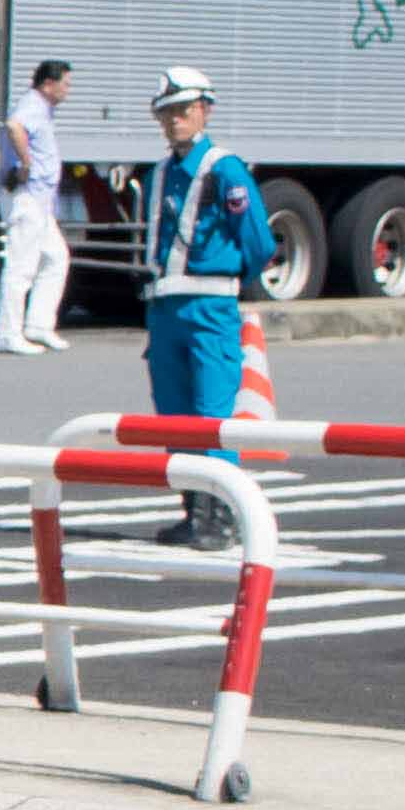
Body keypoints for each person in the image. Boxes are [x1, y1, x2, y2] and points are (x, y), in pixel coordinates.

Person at [137, 66, 269, 545]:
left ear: (204, 111)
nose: (174, 120)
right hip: (166, 307)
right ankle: (194, 510)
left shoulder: (223, 169)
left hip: (210, 305)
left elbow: (257, 241)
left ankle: (221, 516)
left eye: (183, 110)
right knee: (173, 413)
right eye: (166, 112)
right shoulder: (164, 171)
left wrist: (230, 279)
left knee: (212, 413)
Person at [0, 58, 70, 355]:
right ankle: (7, 334)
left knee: (56, 257)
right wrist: (26, 162)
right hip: (27, 196)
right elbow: (14, 126)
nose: (68, 90)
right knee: (21, 266)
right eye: (65, 84)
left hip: (40, 200)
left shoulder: (42, 109)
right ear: (48, 84)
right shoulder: (33, 105)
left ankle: (38, 325)